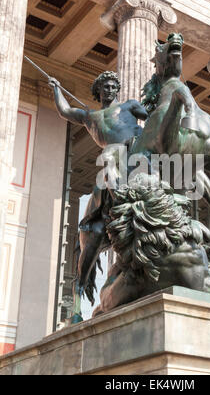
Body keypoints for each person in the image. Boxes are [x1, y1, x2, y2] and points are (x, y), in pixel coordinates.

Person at [49, 72, 149, 321]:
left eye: (114, 85)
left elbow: (152, 116)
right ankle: (75, 309)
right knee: (110, 160)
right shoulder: (90, 116)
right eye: (105, 86)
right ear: (98, 90)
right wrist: (56, 88)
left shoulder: (130, 106)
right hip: (112, 161)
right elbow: (64, 110)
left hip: (135, 155)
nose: (110, 89)